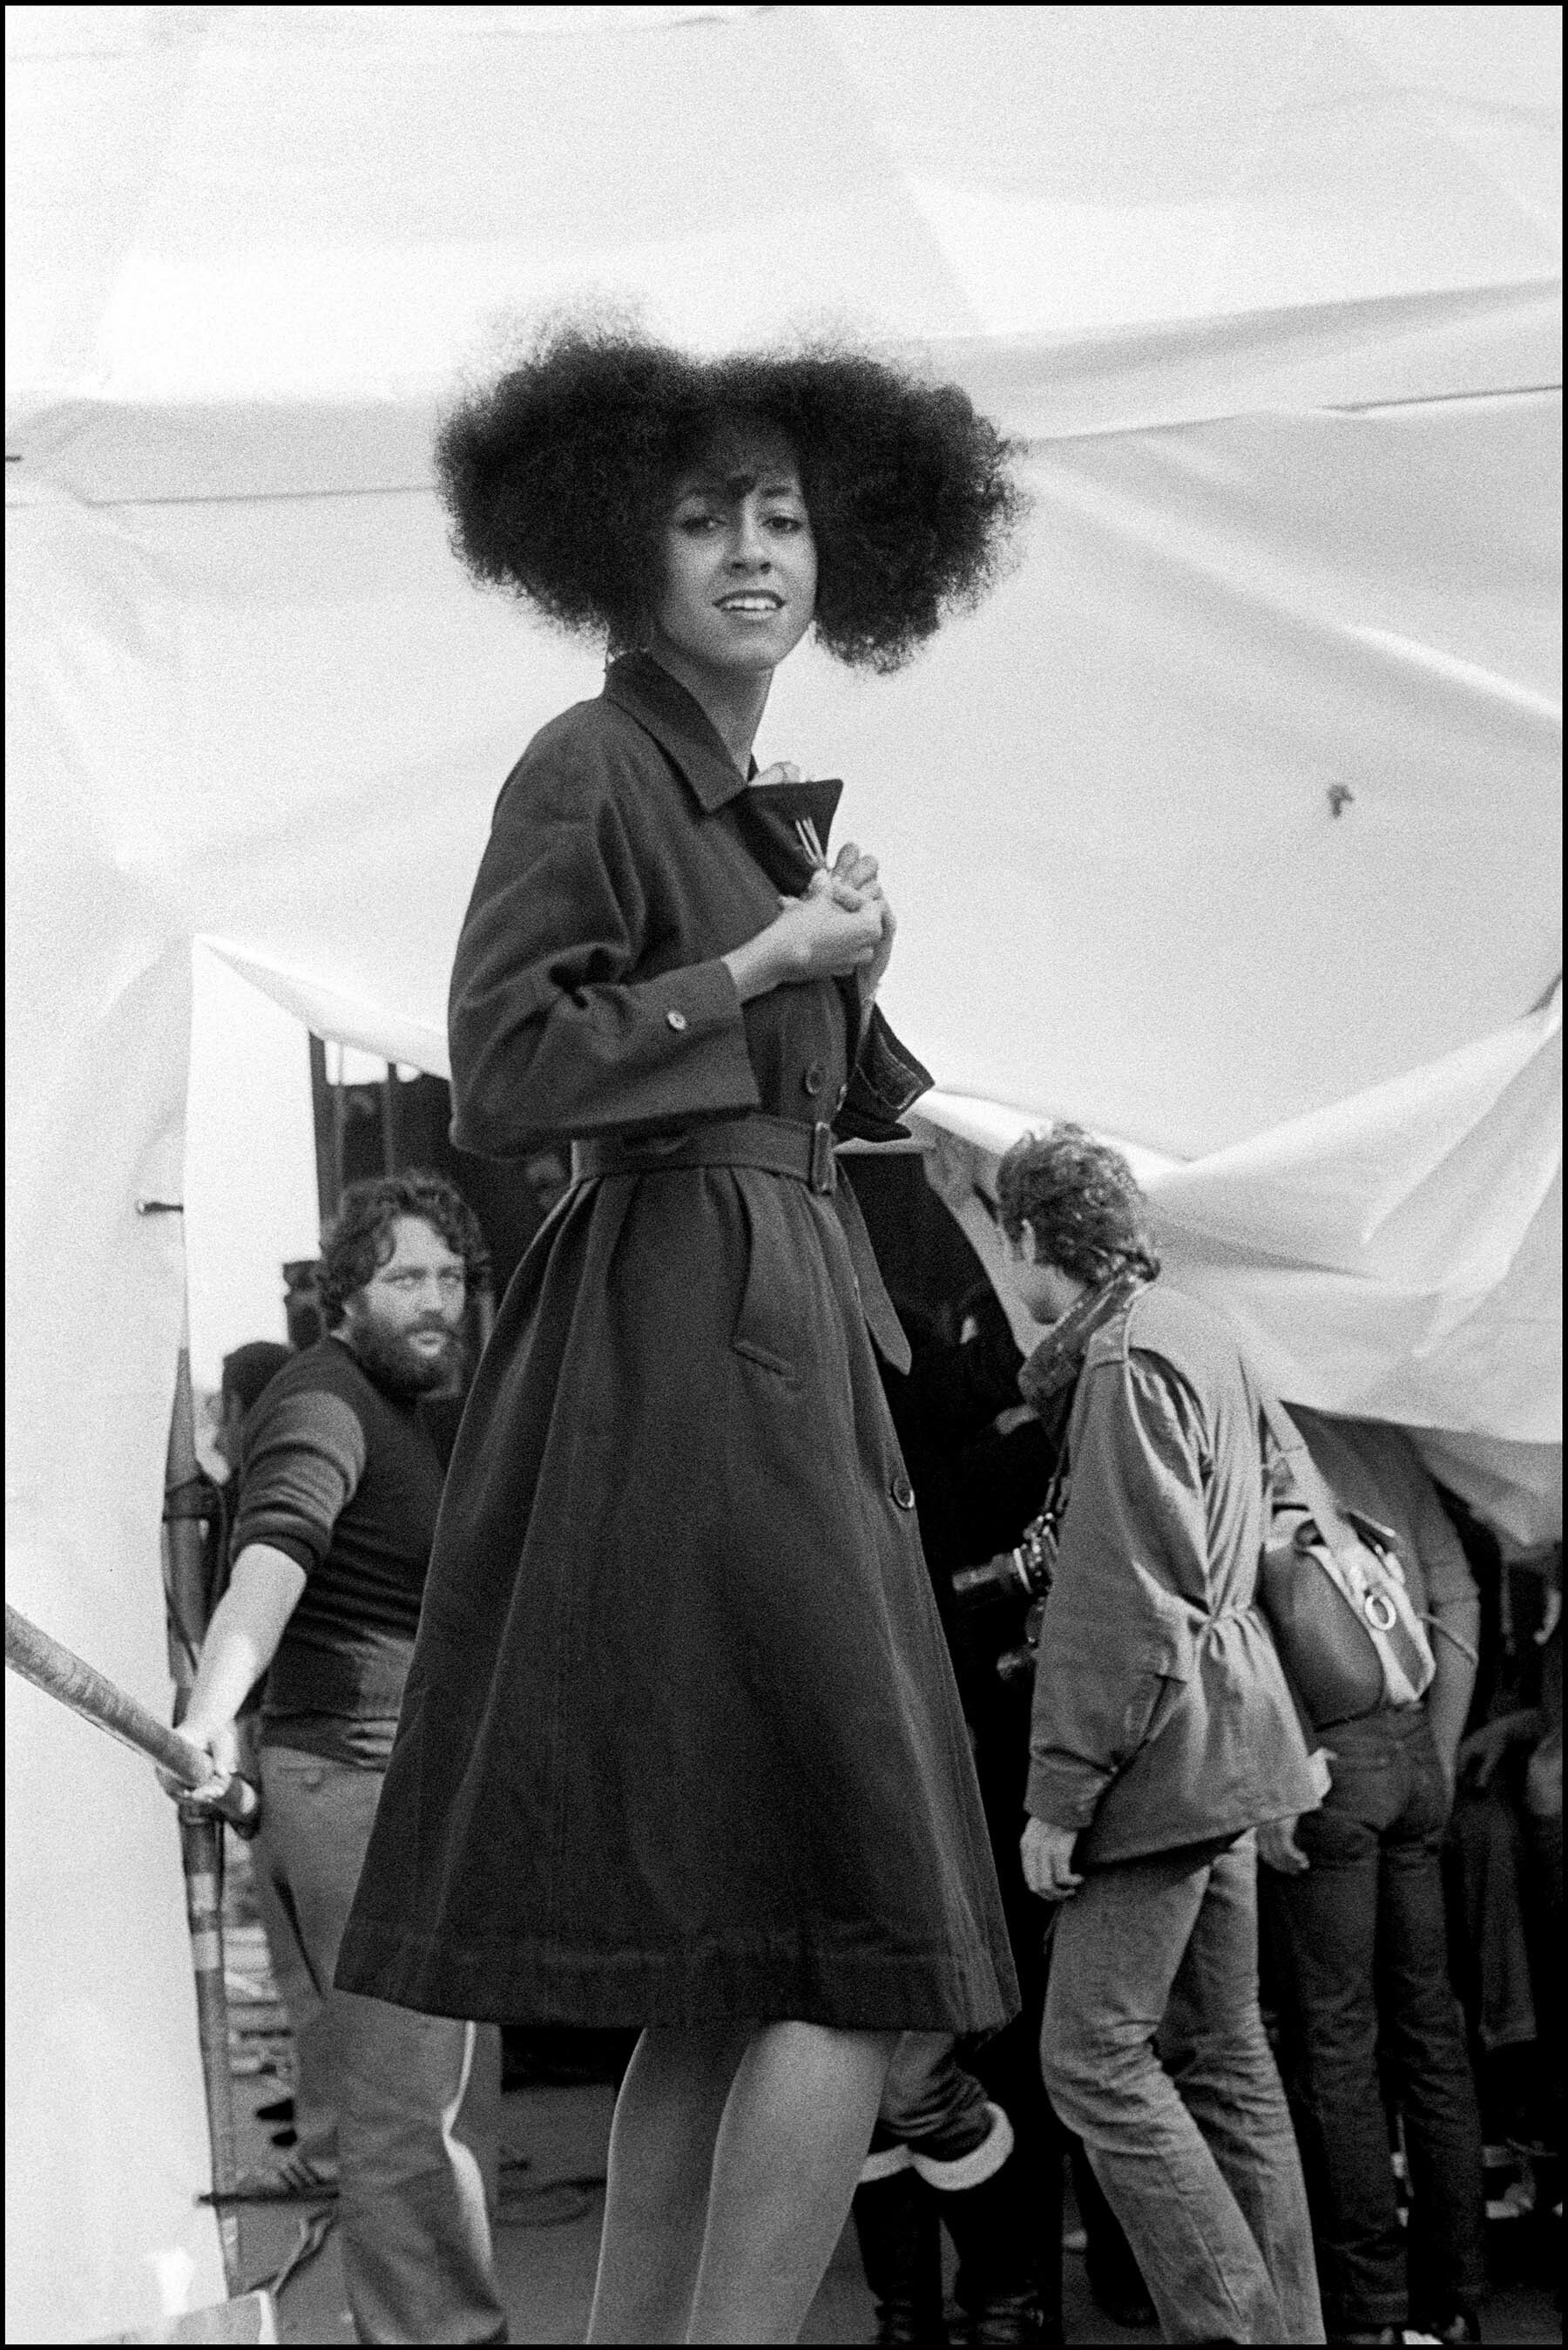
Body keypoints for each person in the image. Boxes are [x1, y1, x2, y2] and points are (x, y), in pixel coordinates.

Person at [333, 322, 1026, 2345]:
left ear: (843, 556)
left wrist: (858, 981)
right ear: (609, 557)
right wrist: (756, 958)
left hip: (769, 1327)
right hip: (688, 1339)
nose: (751, 548)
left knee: (742, 1961)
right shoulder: (593, 762)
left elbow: (835, 1087)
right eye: (703, 514)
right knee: (853, 1946)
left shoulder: (751, 796)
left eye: (784, 515)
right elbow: (503, 1063)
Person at [166, 1172, 507, 2346]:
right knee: (405, 2113)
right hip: (350, 1788)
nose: (434, 1301)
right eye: (405, 1276)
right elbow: (274, 1555)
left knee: (438, 2105)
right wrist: (212, 1711)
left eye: (449, 1277)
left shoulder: (410, 1404)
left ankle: (436, 2324)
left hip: (412, 1792)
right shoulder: (325, 1400)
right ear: (346, 1291)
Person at [1001, 1125, 1326, 2347]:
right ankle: (1284, 2329)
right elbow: (1282, 1513)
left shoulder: (1123, 1362)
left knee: (1089, 2059)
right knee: (1227, 2055)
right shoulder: (1199, 1327)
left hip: (1164, 1755)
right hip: (1236, 1737)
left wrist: (1058, 1797)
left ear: (1033, 1238)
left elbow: (1117, 1604)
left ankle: (1234, 2328)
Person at [1260, 1409, 1487, 2347]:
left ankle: (1372, 2316)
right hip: (1412, 1754)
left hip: (1329, 1764)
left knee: (1340, 2042)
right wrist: (1430, 1751)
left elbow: (1244, 1624)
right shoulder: (1378, 1433)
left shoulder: (1254, 1431)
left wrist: (1288, 1768)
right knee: (1432, 2034)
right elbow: (1460, 1595)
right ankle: (1459, 2304)